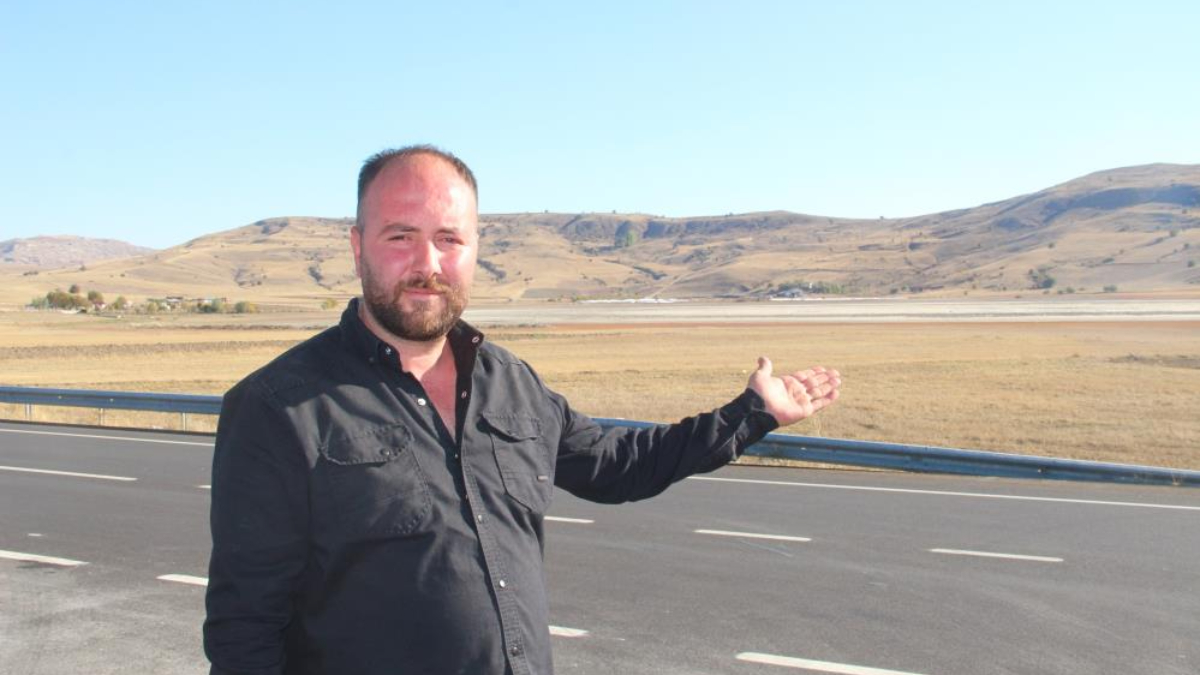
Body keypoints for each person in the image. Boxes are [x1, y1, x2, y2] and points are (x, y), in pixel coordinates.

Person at [203, 145, 841, 675]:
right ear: (358, 245)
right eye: (401, 236)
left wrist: (751, 413)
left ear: (475, 248)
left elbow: (618, 465)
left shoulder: (509, 382)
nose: (427, 264)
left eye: (449, 239)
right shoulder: (277, 407)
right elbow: (245, 627)